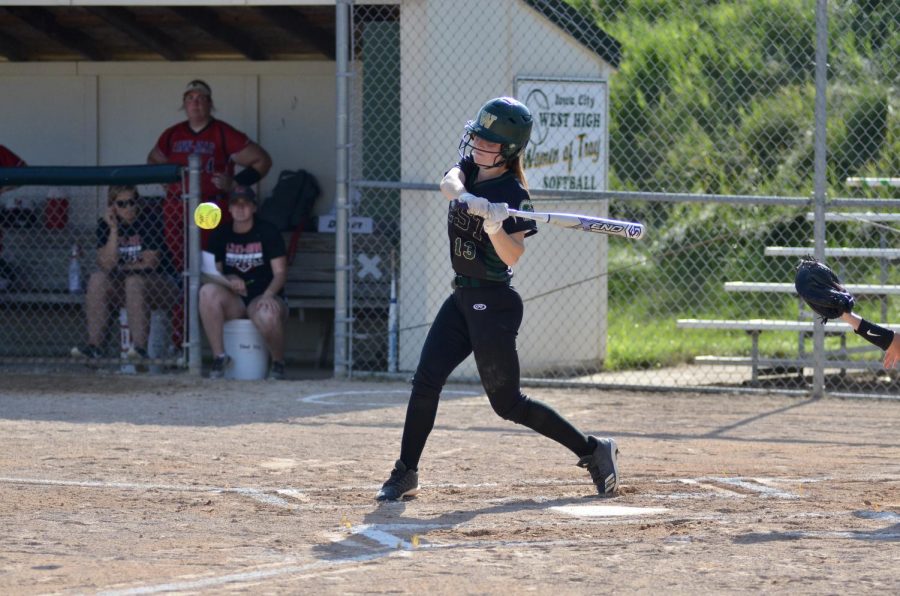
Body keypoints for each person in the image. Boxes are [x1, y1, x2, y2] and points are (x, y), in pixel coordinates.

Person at [374, 97, 619, 501]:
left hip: (494, 304)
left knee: (509, 405)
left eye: (487, 140)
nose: (475, 144)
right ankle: (406, 471)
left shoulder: (515, 194)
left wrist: (493, 226)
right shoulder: (471, 168)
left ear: (507, 150)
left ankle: (594, 451)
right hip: (462, 298)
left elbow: (513, 255)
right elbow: (448, 182)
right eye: (477, 136)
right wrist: (465, 197)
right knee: (425, 381)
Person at [147, 79, 273, 271]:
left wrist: (235, 184)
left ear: (210, 103)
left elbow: (262, 160)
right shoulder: (172, 134)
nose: (195, 103)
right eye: (190, 98)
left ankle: (206, 297)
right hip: (176, 204)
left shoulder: (222, 132)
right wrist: (164, 180)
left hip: (208, 203)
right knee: (181, 261)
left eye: (201, 98)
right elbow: (153, 159)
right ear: (184, 104)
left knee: (208, 258)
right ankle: (185, 299)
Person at [71, 186, 177, 362]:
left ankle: (140, 349)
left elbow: (150, 263)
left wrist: (121, 268)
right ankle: (95, 346)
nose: (128, 208)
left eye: (132, 202)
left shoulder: (150, 220)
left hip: (162, 284)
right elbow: (106, 264)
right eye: (121, 204)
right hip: (125, 285)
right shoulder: (105, 225)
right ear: (112, 207)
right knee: (97, 279)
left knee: (134, 281)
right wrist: (114, 229)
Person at [200, 185, 288, 380]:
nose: (240, 209)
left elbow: (280, 273)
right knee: (207, 292)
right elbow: (209, 273)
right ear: (229, 209)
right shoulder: (220, 234)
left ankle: (278, 362)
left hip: (262, 293)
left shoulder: (268, 231)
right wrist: (228, 279)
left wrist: (269, 295)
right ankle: (220, 357)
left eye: (245, 204)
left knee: (267, 312)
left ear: (254, 207)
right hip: (235, 297)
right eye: (235, 204)